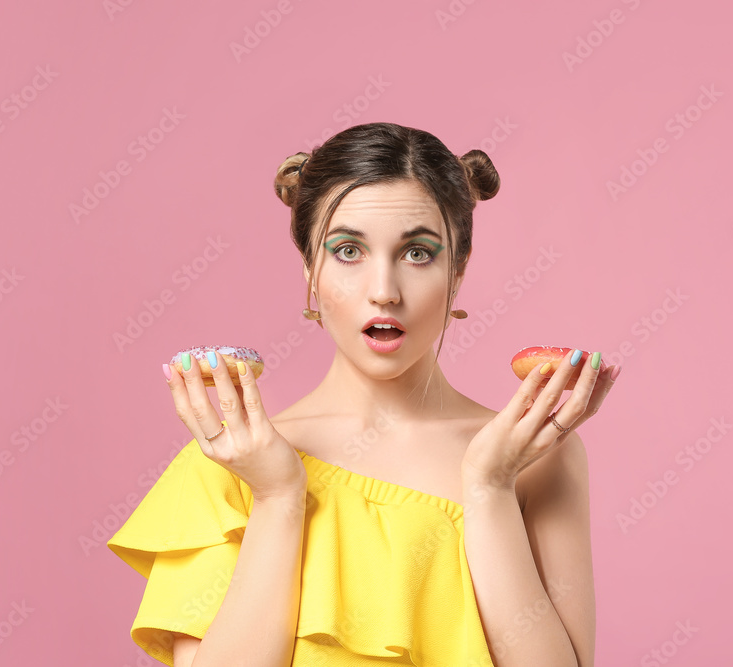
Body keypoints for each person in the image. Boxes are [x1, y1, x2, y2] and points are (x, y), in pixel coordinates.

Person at [107, 122, 620, 666]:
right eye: (348, 250)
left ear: (458, 272)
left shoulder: (536, 455)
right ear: (310, 267)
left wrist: (490, 487)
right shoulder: (230, 458)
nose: (384, 291)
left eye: (418, 253)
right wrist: (279, 497)